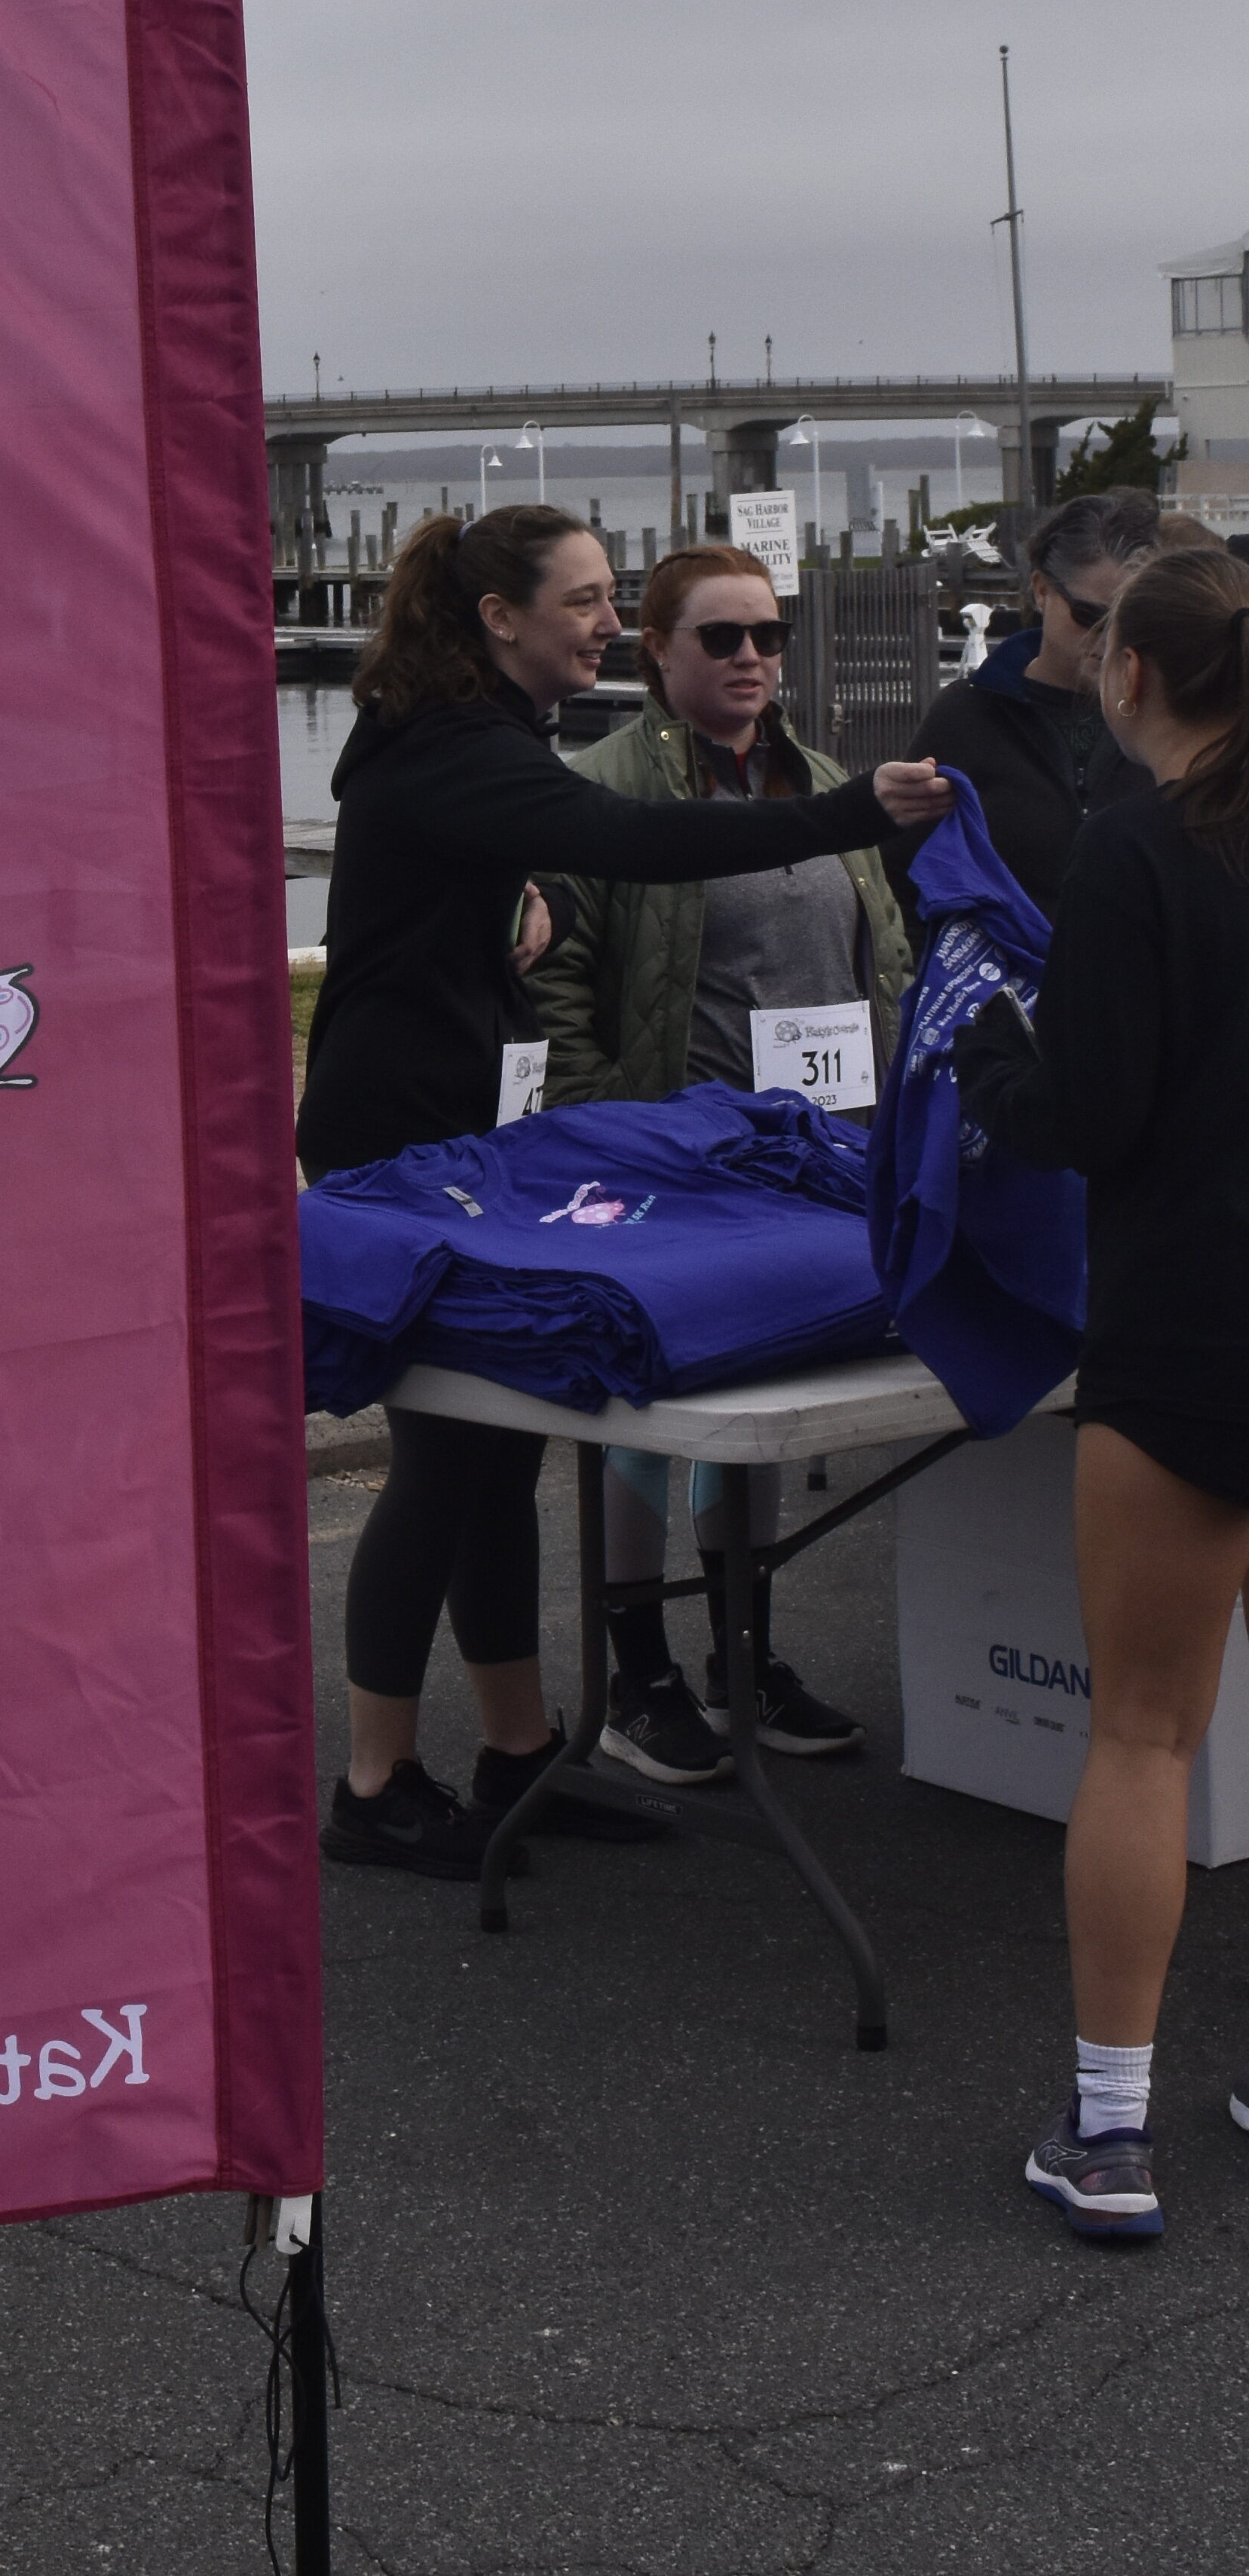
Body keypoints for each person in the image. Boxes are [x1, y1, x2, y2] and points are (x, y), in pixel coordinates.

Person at [301, 504, 951, 1878]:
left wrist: (509, 896)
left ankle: (523, 1751)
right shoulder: (455, 746)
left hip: (456, 1125)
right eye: (589, 602)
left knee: (498, 1451)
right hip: (388, 1145)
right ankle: (374, 1782)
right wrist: (850, 811)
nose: (607, 624)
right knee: (440, 1459)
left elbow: (486, 865)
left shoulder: (470, 738)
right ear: (500, 620)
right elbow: (633, 839)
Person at [951, 546, 1249, 2241]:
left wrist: (984, 1051)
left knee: (1142, 1732)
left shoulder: (1134, 854)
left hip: (1186, 1326)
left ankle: (1111, 2130)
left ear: (1125, 678)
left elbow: (1090, 1113)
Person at [525, 544, 912, 1783]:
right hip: (677, 1162)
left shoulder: (829, 783)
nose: (752, 658)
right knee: (650, 1426)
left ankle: (743, 1654)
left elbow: (883, 966)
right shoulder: (604, 792)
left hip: (818, 1167)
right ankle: (639, 1671)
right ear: (658, 653)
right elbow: (567, 991)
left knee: (761, 1417)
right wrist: (602, 1141)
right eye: (721, 638)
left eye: (768, 634)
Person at [886, 491, 1161, 915]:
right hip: (1000, 976)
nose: (1108, 638)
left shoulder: (1169, 718)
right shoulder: (968, 714)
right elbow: (903, 873)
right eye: (1088, 616)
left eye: (1129, 619)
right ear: (1041, 590)